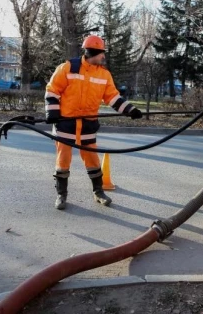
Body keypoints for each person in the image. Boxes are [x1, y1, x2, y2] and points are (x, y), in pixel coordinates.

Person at [45, 35, 142, 210]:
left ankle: (98, 192)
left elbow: (112, 97)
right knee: (63, 159)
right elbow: (52, 90)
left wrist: (130, 110)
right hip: (66, 123)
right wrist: (52, 112)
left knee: (91, 158)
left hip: (88, 124)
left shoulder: (104, 74)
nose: (103, 57)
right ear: (93, 52)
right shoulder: (68, 68)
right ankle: (61, 195)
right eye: (101, 54)